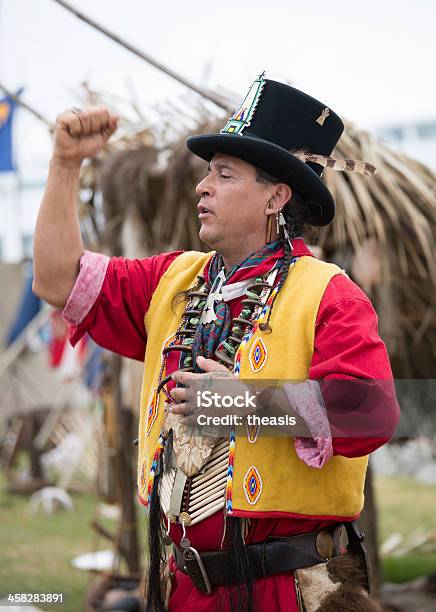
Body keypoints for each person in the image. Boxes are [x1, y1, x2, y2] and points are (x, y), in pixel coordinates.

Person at [33, 74, 400, 611]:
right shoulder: (173, 282)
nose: (202, 186)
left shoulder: (330, 295)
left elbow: (373, 413)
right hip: (180, 588)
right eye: (207, 173)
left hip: (286, 592)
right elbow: (56, 279)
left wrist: (249, 402)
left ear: (277, 195)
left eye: (224, 174)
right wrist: (65, 164)